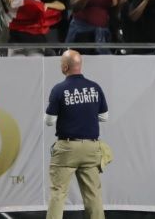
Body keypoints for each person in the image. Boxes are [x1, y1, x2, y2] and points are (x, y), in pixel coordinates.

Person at [44, 50, 111, 219]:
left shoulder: (59, 89)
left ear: (65, 67)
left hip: (67, 148)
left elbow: (49, 121)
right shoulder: (95, 87)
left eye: (61, 63)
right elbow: (104, 117)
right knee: (93, 195)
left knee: (58, 193)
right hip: (91, 148)